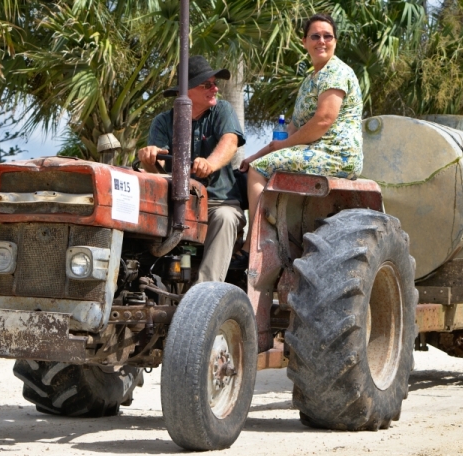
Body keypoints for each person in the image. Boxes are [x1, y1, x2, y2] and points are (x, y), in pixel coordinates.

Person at [240, 14, 364, 245]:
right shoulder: (310, 80)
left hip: (336, 154)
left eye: (328, 36)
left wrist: (275, 151)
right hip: (314, 152)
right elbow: (293, 127)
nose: (322, 41)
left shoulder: (335, 72)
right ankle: (275, 237)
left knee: (259, 171)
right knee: (254, 166)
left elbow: (324, 120)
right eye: (315, 36)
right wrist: (256, 155)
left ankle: (253, 246)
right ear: (304, 41)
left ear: (335, 42)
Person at [137, 55, 246, 283]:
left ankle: (202, 295)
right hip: (176, 203)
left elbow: (230, 142)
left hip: (217, 202)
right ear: (185, 93)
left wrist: (211, 163)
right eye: (207, 84)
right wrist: (150, 159)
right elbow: (160, 168)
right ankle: (141, 279)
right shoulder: (163, 122)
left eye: (215, 83)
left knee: (226, 218)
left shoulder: (222, 111)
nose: (215, 88)